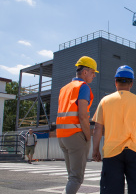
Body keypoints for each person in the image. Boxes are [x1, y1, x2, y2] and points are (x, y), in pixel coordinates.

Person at [92, 65, 136, 194]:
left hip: (111, 151)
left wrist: (95, 149)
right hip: (134, 150)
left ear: (115, 82)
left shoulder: (105, 101)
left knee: (111, 190)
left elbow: (97, 128)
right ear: (131, 83)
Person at [56, 56, 98, 194]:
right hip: (75, 135)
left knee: (72, 177)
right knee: (76, 178)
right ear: (85, 72)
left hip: (62, 136)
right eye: (93, 73)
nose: (93, 76)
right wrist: (88, 136)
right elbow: (83, 115)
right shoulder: (83, 87)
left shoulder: (64, 88)